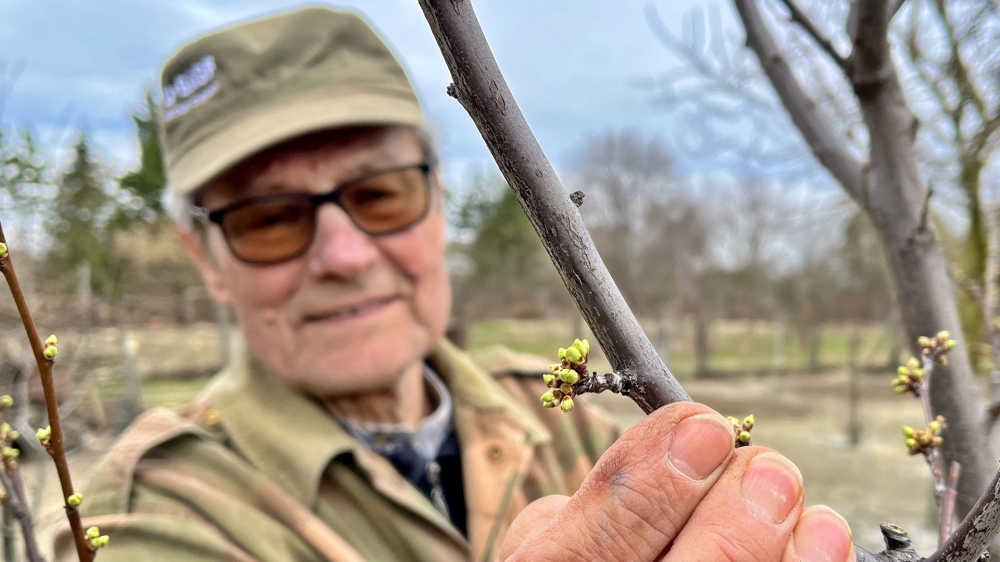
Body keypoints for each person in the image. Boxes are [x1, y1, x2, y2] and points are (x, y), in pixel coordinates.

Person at [54, 6, 855, 562]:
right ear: (206, 261)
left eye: (380, 193)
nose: (342, 253)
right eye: (269, 217)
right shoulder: (147, 510)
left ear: (436, 206)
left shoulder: (578, 420)